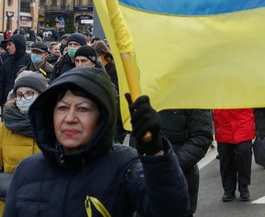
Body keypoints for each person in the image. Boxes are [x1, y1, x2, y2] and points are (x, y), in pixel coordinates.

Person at [4, 67, 189, 216]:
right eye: (62, 108)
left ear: (102, 117)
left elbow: (170, 210)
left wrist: (155, 154)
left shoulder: (126, 166)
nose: (70, 118)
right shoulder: (28, 169)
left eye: (83, 109)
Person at [0, 71, 47, 214]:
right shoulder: (4, 128)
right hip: (10, 203)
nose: (23, 98)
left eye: (29, 93)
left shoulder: (53, 125)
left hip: (45, 204)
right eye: (19, 95)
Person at [158, 108, 213, 216]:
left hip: (180, 178)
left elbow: (202, 138)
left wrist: (171, 165)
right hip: (146, 182)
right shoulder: (147, 92)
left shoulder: (194, 97)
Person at [213, 107, 255, 202]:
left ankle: (243, 186)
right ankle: (229, 189)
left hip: (243, 119)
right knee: (225, 157)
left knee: (244, 154)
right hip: (222, 121)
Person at [0, 34, 31, 104]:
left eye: (9, 44)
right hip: (6, 102)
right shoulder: (7, 62)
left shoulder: (29, 60)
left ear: (18, 44)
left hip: (22, 102)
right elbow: (2, 82)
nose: (7, 47)